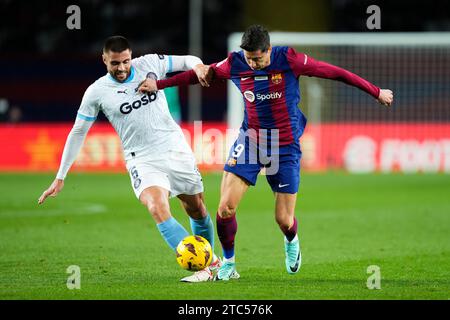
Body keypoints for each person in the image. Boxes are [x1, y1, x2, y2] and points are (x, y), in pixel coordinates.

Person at [138, 25, 394, 281]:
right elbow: (199, 75)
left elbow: (335, 73)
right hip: (251, 140)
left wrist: (376, 91)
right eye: (249, 58)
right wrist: (159, 84)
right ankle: (229, 263)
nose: (253, 63)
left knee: (283, 219)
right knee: (225, 208)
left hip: (285, 145)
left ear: (269, 50)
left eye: (258, 58)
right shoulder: (235, 63)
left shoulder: (290, 59)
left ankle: (291, 240)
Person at [38, 35, 221, 282]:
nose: (122, 67)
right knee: (157, 206)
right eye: (115, 63)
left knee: (196, 208)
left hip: (174, 149)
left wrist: (198, 66)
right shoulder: (97, 92)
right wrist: (61, 176)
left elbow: (187, 60)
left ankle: (211, 266)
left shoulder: (149, 64)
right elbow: (79, 131)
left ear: (131, 56)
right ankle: (207, 265)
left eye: (125, 61)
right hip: (142, 159)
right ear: (104, 59)